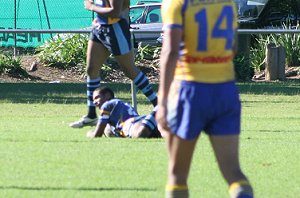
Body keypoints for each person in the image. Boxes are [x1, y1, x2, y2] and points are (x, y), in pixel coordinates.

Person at [156, 0, 254, 198]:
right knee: (234, 174)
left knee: (177, 176)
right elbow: (233, 47)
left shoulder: (176, 3)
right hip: (225, 90)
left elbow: (170, 51)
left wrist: (163, 101)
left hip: (190, 89)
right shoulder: (228, 2)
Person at [70, 0, 157, 128]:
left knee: (129, 70)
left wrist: (91, 7)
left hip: (115, 29)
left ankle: (158, 105)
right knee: (91, 70)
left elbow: (115, 12)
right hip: (100, 28)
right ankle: (92, 115)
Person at [86, 86, 161, 138]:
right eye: (93, 100)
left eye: (97, 98)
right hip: (141, 120)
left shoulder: (107, 105)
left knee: (140, 134)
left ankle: (161, 106)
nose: (94, 102)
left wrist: (89, 133)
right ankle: (158, 112)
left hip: (133, 125)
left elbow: (97, 134)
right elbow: (107, 130)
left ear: (107, 95)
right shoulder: (119, 106)